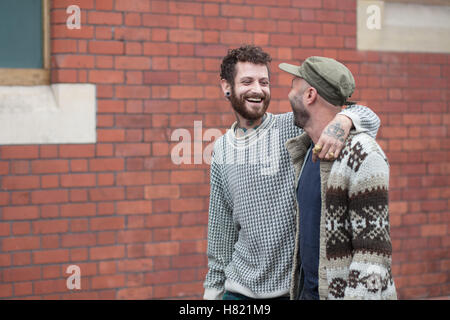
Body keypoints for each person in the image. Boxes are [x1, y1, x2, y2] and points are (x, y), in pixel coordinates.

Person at [203, 45, 381, 300]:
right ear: (226, 87)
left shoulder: (293, 127)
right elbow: (220, 229)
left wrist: (344, 120)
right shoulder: (220, 149)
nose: (258, 89)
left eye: (264, 81)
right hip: (237, 291)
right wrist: (212, 291)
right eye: (247, 81)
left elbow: (369, 116)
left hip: (291, 290)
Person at [279, 56, 397, 299]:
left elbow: (372, 257)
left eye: (293, 85)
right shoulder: (308, 149)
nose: (289, 93)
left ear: (309, 95)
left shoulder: (363, 155)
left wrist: (346, 118)